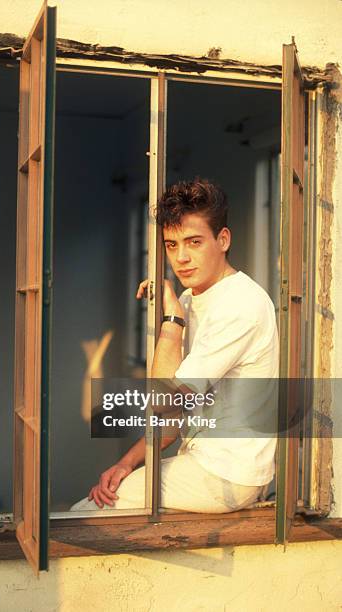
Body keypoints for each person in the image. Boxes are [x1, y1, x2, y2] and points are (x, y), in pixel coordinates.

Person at [70, 178, 279, 514]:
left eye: (194, 242)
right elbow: (172, 415)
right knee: (107, 497)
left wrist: (172, 321)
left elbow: (164, 399)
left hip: (228, 475)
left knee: (88, 513)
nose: (181, 258)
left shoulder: (241, 304)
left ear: (222, 239)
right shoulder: (190, 298)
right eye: (171, 245)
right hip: (201, 463)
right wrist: (126, 463)